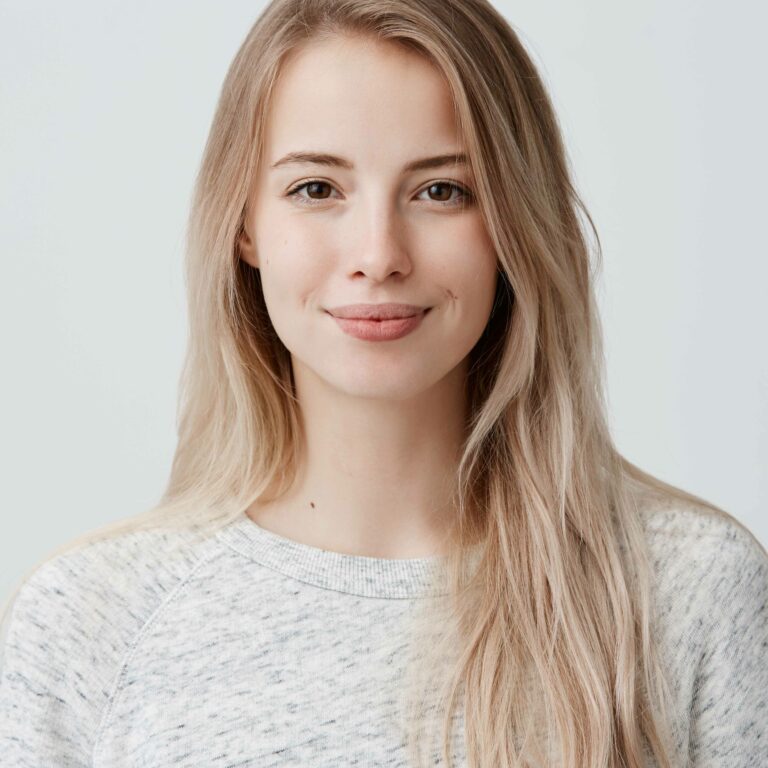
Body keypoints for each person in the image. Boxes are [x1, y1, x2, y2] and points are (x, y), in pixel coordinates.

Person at [1, 1, 766, 766]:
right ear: (243, 225)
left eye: (441, 191)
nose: (378, 254)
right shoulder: (91, 621)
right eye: (316, 189)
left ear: (514, 223)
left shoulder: (688, 595)